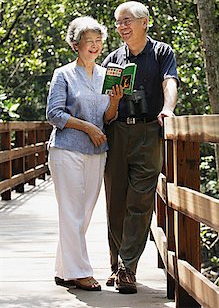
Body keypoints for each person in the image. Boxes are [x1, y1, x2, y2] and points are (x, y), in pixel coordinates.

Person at [102, 1, 178, 294]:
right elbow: (106, 113)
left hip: (149, 132)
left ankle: (127, 268)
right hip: (118, 132)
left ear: (145, 22)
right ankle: (115, 264)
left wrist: (168, 109)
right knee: (116, 203)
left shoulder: (161, 52)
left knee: (141, 201)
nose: (122, 27)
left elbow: (169, 81)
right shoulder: (112, 58)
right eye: (118, 22)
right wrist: (114, 100)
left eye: (127, 21)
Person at [46, 16, 122, 291]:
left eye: (98, 41)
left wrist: (114, 101)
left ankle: (62, 268)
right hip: (66, 149)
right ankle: (80, 272)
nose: (94, 46)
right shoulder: (63, 74)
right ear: (76, 44)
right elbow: (54, 114)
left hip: (97, 151)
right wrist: (87, 127)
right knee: (71, 211)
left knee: (84, 213)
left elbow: (109, 118)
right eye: (88, 41)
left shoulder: (106, 74)